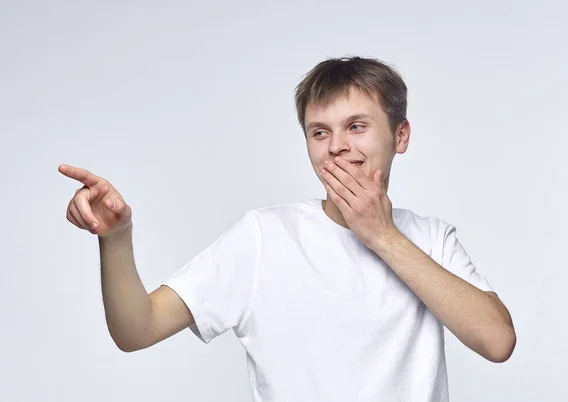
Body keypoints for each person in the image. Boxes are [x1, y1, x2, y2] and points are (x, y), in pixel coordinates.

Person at [58, 56, 516, 402]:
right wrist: (115, 237)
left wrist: (381, 234)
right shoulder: (265, 237)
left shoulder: (433, 238)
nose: (337, 147)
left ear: (400, 136)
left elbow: (497, 342)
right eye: (319, 132)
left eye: (356, 126)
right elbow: (137, 330)